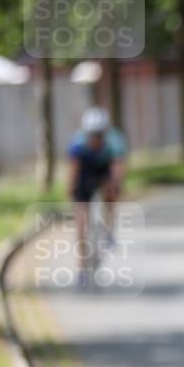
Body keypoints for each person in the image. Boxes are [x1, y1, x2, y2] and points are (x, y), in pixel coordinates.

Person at [67, 107, 127, 283]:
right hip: (85, 172)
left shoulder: (114, 141)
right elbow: (73, 169)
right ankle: (82, 268)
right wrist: (71, 188)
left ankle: (109, 230)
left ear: (105, 132)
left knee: (111, 191)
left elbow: (118, 167)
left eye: (99, 134)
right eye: (92, 134)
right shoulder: (78, 143)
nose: (96, 138)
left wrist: (115, 185)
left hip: (104, 169)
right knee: (81, 221)